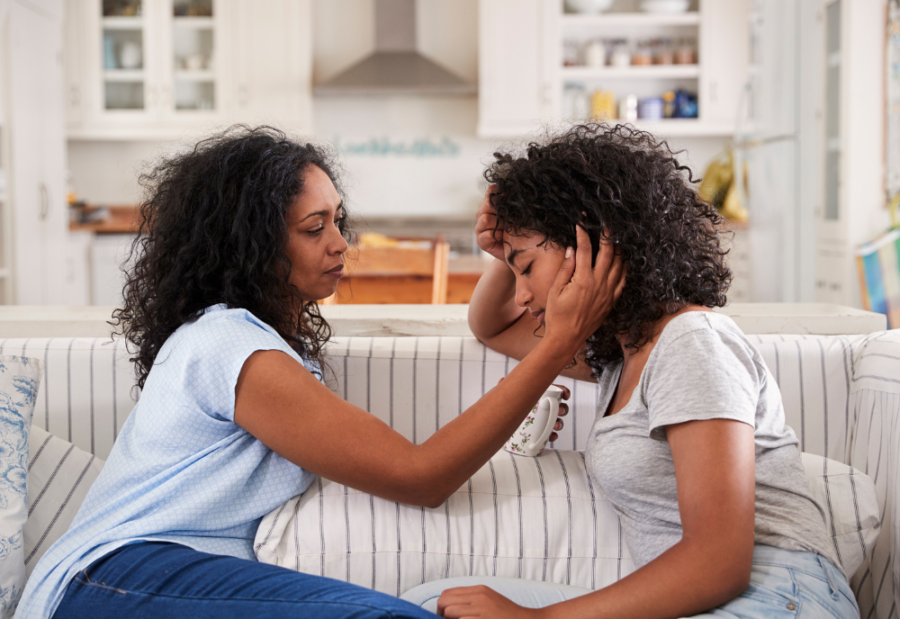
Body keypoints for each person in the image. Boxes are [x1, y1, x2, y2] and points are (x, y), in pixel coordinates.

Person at [15, 126, 624, 619]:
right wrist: (557, 344)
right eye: (314, 228)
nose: (340, 244)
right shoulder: (231, 347)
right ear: (249, 245)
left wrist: (500, 261)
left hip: (156, 579)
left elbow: (487, 328)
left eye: (338, 221)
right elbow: (420, 477)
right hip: (114, 579)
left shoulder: (262, 345)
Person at [399, 124, 859, 619]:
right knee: (433, 607)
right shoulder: (623, 358)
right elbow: (490, 327)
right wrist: (508, 252)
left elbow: (720, 563)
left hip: (779, 597)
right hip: (712, 601)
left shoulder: (691, 343)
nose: (522, 296)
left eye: (528, 269)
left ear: (592, 243)